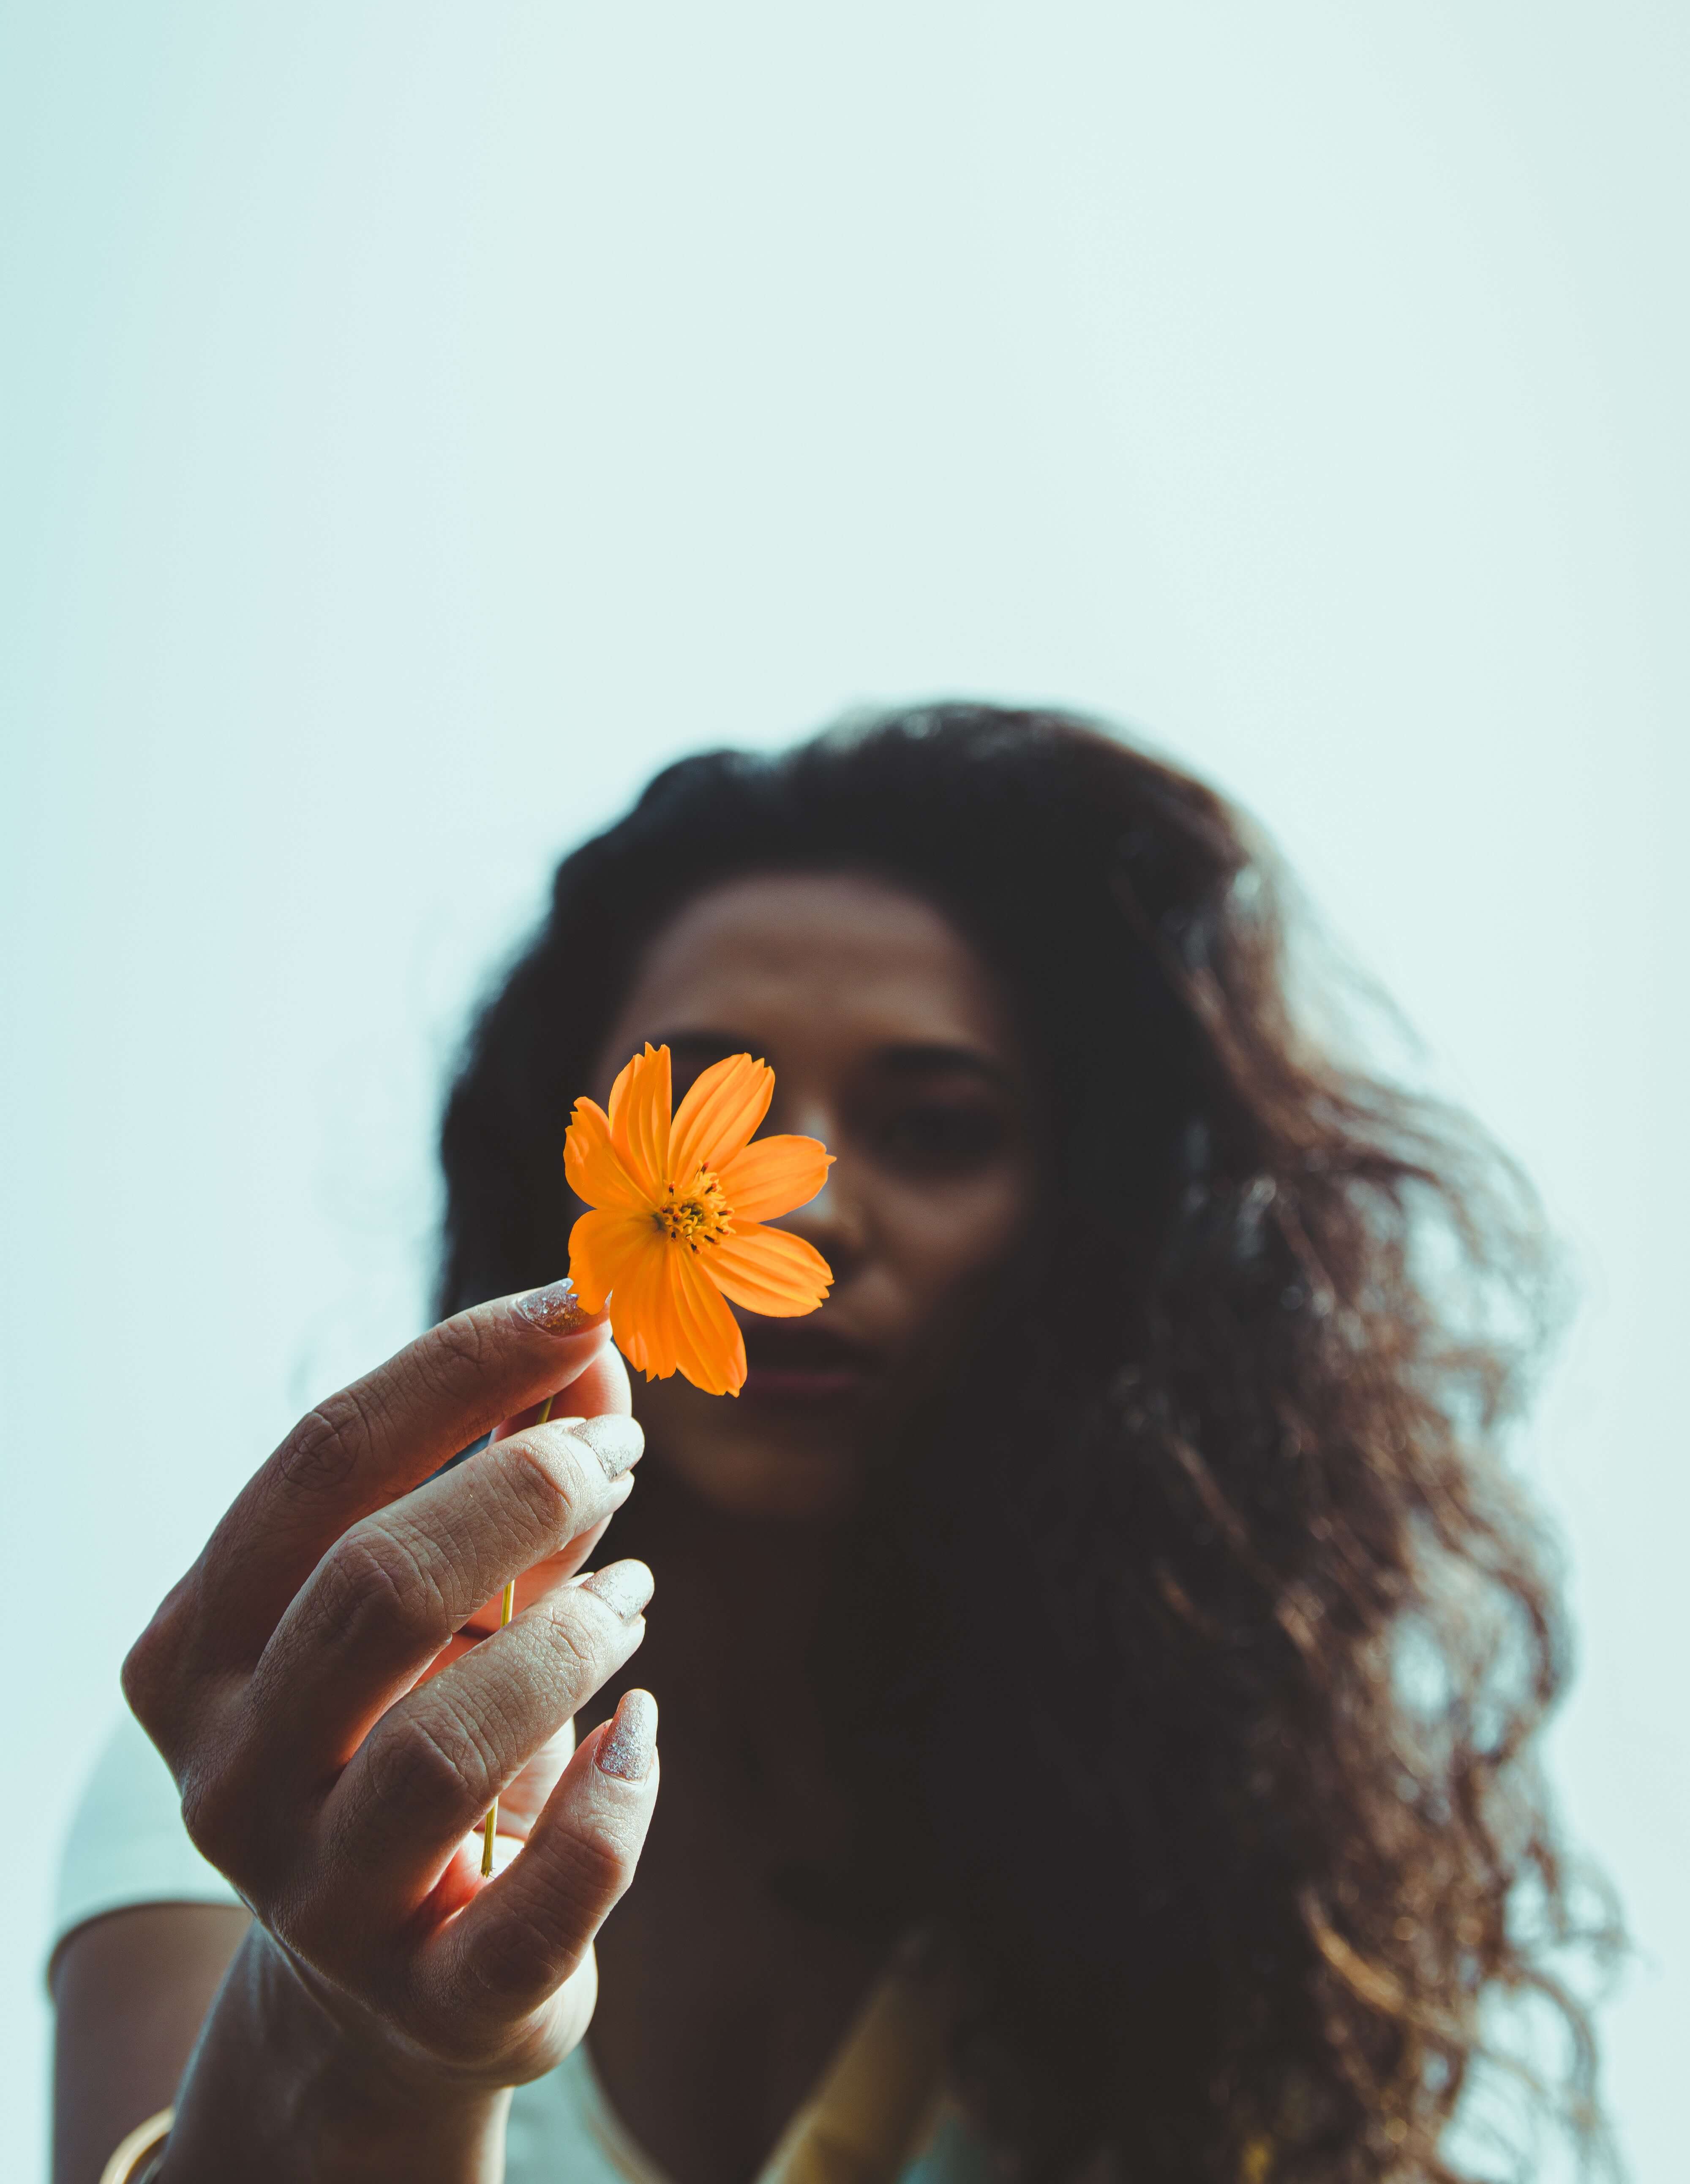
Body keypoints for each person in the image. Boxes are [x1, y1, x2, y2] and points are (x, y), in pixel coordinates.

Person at [50, 704, 1605, 2184]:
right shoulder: (286, 1757)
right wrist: (354, 2034)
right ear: (568, 1175)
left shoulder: (1217, 1895)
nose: (807, 1206)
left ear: (1089, 1236)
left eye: (940, 1127)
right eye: (718, 1111)